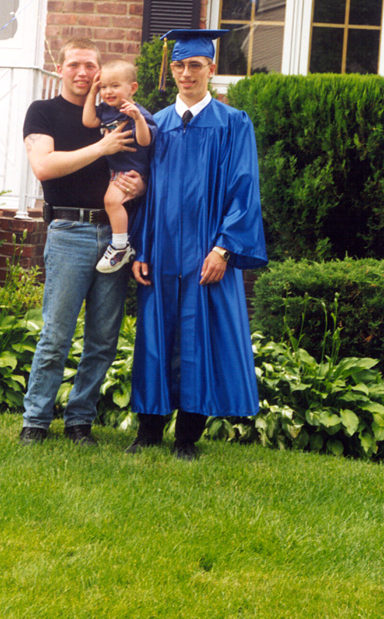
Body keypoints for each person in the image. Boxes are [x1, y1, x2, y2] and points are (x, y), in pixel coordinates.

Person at [129, 29, 268, 460]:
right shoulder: (155, 126)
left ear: (211, 69)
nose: (186, 74)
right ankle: (149, 431)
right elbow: (142, 194)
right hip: (163, 249)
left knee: (201, 338)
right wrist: (141, 250)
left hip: (208, 254)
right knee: (155, 337)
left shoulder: (233, 124)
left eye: (194, 66)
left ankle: (187, 436)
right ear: (170, 70)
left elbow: (244, 190)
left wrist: (224, 249)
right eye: (179, 65)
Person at [19, 38, 146, 446]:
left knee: (103, 339)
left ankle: (79, 421)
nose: (82, 73)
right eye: (74, 64)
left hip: (115, 235)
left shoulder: (120, 112)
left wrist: (141, 185)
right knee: (56, 334)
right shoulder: (44, 112)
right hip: (69, 232)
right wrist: (102, 147)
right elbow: (44, 166)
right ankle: (35, 420)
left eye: (90, 66)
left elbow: (146, 160)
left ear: (99, 71)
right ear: (61, 68)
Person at [82, 59, 157, 273]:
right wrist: (92, 93)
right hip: (116, 169)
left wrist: (138, 119)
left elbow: (145, 141)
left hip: (131, 170)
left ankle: (121, 246)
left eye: (114, 86)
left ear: (132, 88)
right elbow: (89, 121)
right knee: (112, 202)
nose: (108, 91)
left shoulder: (136, 112)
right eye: (104, 86)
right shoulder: (107, 110)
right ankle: (121, 244)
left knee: (111, 201)